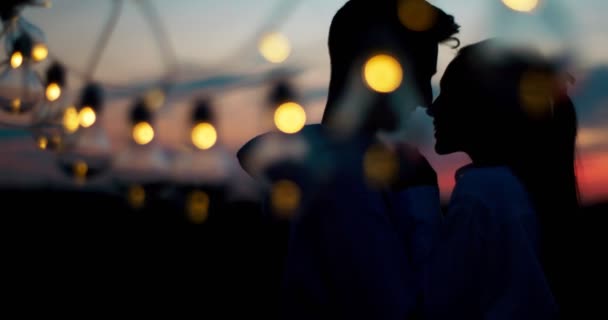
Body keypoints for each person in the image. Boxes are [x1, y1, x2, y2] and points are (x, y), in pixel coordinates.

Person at [237, 0, 460, 318]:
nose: (425, 98)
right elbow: (399, 309)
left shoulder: (321, 162)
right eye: (420, 76)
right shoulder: (348, 181)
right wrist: (422, 200)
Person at [424, 38, 579, 319]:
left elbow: (439, 303)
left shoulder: (481, 192)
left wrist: (417, 202)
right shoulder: (522, 188)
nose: (433, 108)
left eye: (447, 94)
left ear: (480, 106)